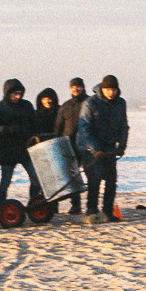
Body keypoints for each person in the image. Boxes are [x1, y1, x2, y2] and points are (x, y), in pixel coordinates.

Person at [74, 75, 128, 220]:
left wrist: (122, 145)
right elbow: (84, 129)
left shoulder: (120, 103)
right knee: (95, 177)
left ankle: (108, 212)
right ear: (102, 89)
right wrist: (95, 150)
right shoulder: (90, 103)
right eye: (108, 90)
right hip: (89, 148)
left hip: (109, 147)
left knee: (111, 180)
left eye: (114, 90)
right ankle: (91, 211)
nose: (111, 93)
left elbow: (123, 126)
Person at [0, 80, 36, 213]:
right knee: (5, 182)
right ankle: (0, 209)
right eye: (14, 94)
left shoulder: (26, 105)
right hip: (7, 151)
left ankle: (34, 205)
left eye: (20, 93)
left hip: (25, 149)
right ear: (8, 93)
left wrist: (32, 134)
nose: (17, 96)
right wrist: (5, 129)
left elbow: (35, 122)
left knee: (35, 178)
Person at [56, 78, 89, 213]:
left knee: (91, 175)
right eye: (73, 87)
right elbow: (58, 126)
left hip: (86, 144)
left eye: (78, 87)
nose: (76, 89)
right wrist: (58, 142)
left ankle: (91, 206)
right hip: (69, 145)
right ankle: (76, 205)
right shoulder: (66, 106)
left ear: (83, 88)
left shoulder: (89, 103)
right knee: (73, 176)